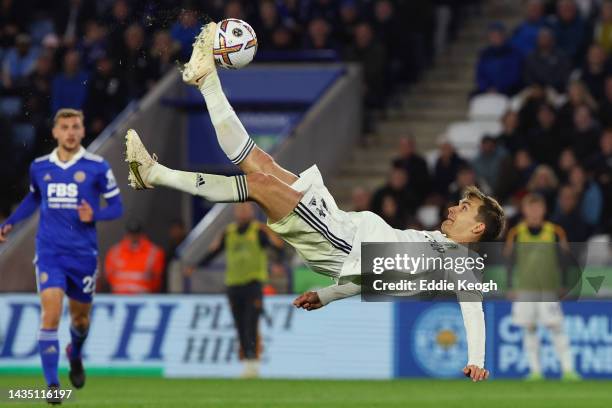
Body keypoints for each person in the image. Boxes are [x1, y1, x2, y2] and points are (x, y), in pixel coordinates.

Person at [125, 22, 507, 382]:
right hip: (338, 225)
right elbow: (373, 277)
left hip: (336, 239)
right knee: (258, 161)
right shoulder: (436, 250)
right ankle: (206, 80)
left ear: (476, 229)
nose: (454, 209)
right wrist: (327, 295)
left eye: (464, 210)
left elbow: (473, 308)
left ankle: (156, 173)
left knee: (257, 182)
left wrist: (477, 359)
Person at [0, 108, 123, 403]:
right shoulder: (40, 167)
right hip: (49, 252)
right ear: (55, 132)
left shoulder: (97, 166)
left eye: (75, 126)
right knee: (51, 315)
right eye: (64, 127)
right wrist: (11, 222)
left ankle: (75, 354)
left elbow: (117, 206)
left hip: (83, 255)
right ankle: (53, 386)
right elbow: (34, 197)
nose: (70, 132)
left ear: (82, 132)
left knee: (80, 320)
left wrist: (96, 213)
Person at [195, 202, 284, 378]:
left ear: (251, 211)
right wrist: (196, 265)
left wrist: (278, 264)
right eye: (240, 209)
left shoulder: (258, 231)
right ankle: (247, 361)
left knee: (251, 322)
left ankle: (253, 362)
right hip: (234, 285)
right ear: (235, 212)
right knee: (240, 325)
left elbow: (277, 247)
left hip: (253, 284)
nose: (243, 212)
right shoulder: (229, 232)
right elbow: (214, 251)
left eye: (246, 209)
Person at [504, 194, 580, 381]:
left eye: (538, 208)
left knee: (556, 327)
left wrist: (564, 284)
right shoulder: (516, 232)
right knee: (529, 328)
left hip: (548, 289)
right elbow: (509, 261)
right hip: (525, 288)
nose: (535, 212)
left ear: (544, 210)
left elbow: (565, 260)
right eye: (531, 208)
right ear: (524, 210)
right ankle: (536, 371)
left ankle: (568, 370)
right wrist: (509, 286)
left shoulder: (555, 231)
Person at [104, 220, 165, 294]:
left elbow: (157, 279)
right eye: (131, 233)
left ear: (141, 234)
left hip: (143, 297)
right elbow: (108, 276)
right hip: (119, 296)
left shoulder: (154, 252)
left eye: (136, 233)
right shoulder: (115, 252)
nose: (133, 237)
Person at [475, 22, 523, 96]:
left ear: (503, 36)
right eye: (493, 36)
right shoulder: (485, 54)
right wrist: (487, 88)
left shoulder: (513, 53)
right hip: (488, 91)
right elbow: (480, 75)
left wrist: (499, 88)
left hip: (508, 91)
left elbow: (514, 75)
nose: (495, 38)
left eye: (498, 35)